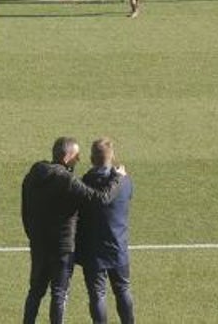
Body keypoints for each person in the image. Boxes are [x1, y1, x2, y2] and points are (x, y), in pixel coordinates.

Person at [22, 137, 127, 324]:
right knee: (59, 294)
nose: (78, 160)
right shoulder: (67, 180)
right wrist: (117, 178)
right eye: (76, 156)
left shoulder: (32, 176)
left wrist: (32, 235)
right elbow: (100, 199)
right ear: (67, 156)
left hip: (39, 244)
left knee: (35, 292)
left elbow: (25, 211)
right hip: (63, 247)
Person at [75, 138, 135, 324]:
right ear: (112, 156)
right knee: (123, 289)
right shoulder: (125, 183)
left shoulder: (85, 182)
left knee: (97, 295)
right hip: (118, 245)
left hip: (93, 250)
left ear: (92, 158)